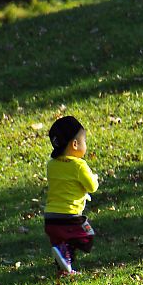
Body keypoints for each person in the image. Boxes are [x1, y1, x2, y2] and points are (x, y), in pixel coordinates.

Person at [44, 116, 99, 276]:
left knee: (61, 242)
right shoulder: (79, 165)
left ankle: (65, 269)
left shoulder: (51, 165)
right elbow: (92, 186)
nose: (85, 145)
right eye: (84, 141)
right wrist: (94, 178)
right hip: (69, 216)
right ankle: (65, 252)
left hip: (50, 218)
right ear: (75, 144)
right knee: (86, 236)